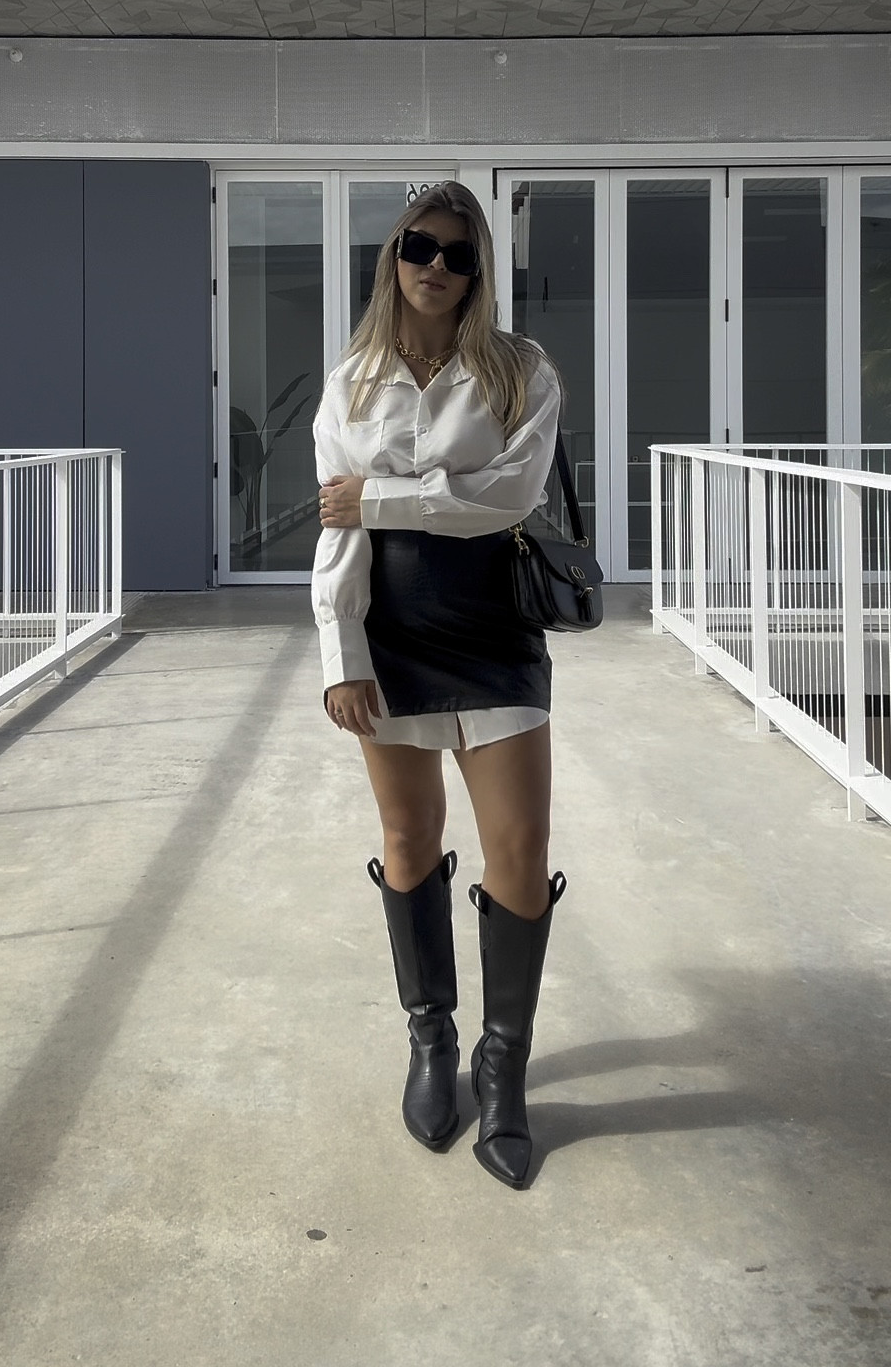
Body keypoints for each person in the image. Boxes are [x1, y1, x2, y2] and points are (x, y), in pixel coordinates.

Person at [311, 180, 566, 1190]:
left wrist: (379, 494)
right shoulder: (352, 382)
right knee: (410, 839)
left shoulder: (520, 371)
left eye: (461, 255)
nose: (438, 267)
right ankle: (433, 1039)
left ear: (481, 271)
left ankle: (502, 1071)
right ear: (395, 253)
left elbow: (509, 494)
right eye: (422, 245)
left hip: (494, 626)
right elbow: (336, 533)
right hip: (391, 626)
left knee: (520, 845)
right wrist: (342, 655)